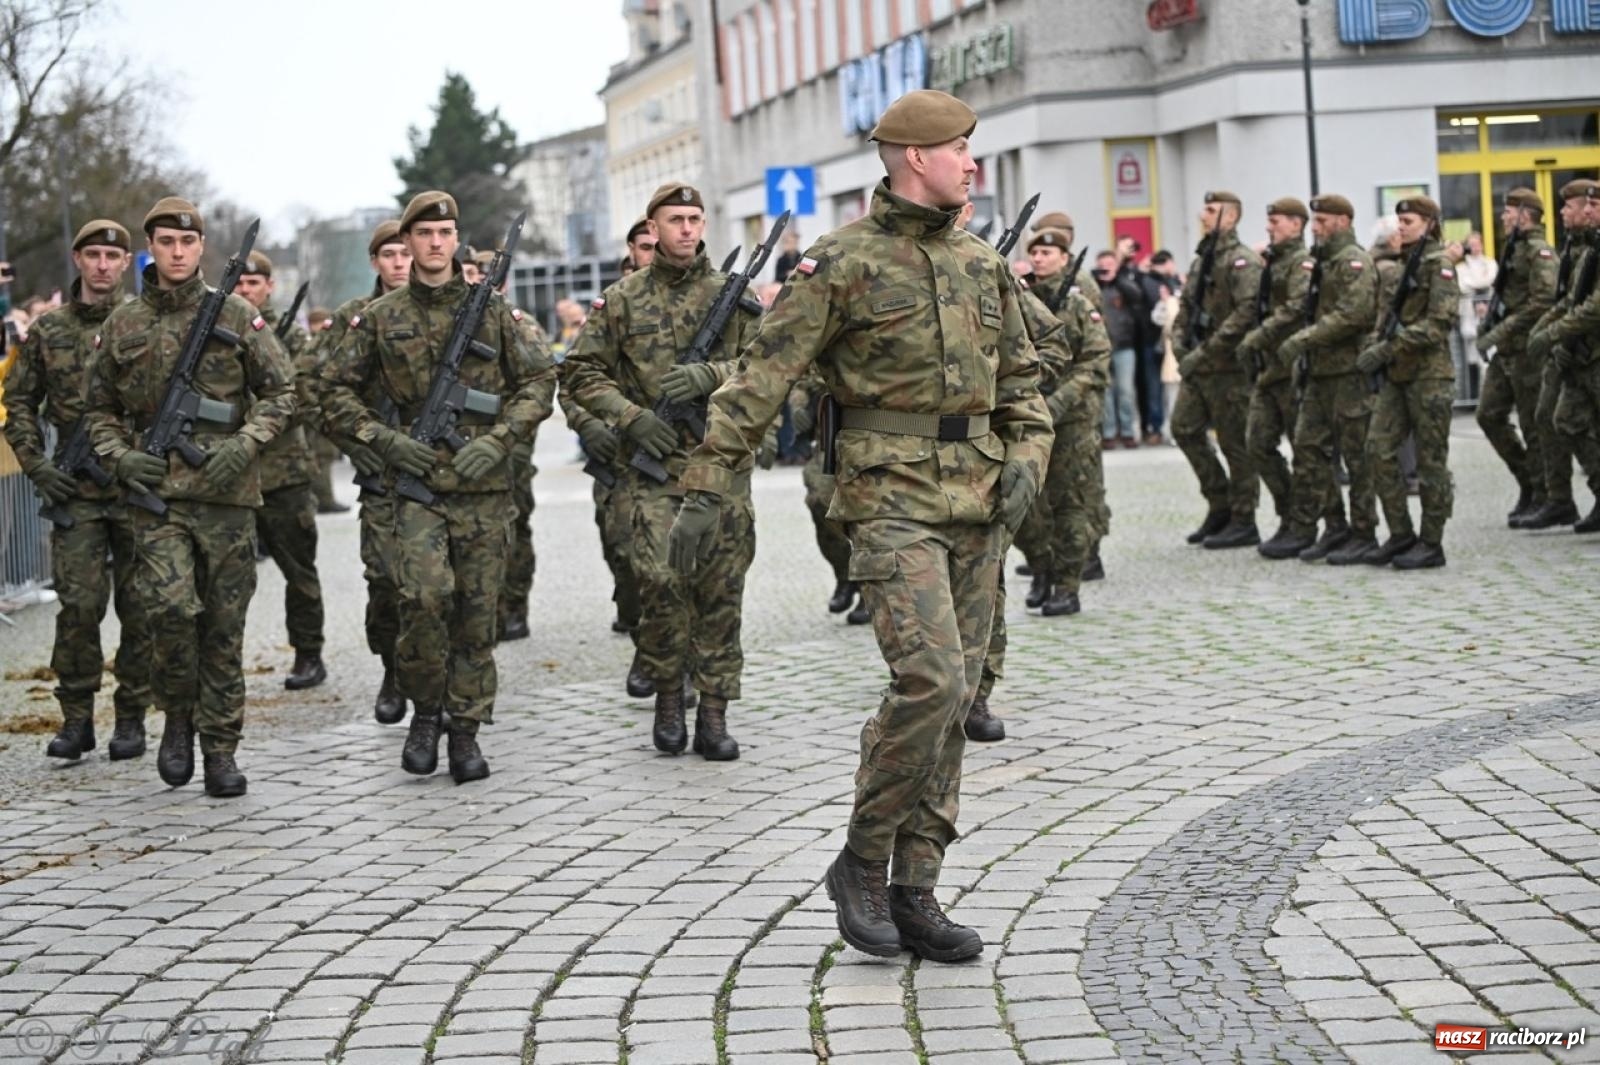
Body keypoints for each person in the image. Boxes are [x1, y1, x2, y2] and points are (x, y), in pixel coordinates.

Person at [667, 90, 1052, 962]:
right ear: (917, 157)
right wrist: (705, 484)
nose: (974, 164)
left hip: (980, 502)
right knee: (930, 681)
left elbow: (1026, 384)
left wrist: (1027, 461)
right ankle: (862, 861)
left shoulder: (981, 264)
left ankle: (917, 886)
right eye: (963, 149)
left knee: (957, 700)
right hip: (888, 500)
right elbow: (763, 378)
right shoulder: (839, 264)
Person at [320, 190, 556, 783]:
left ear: (456, 239)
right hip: (416, 486)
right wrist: (385, 439)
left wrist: (497, 441)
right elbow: (330, 393)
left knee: (477, 617)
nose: (433, 244)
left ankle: (466, 729)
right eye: (422, 234)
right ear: (407, 242)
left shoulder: (494, 311)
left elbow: (539, 381)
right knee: (422, 602)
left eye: (444, 233)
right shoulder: (379, 318)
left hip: (481, 490)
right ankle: (426, 711)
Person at [84, 196, 297, 797]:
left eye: (187, 243)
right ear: (151, 249)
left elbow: (282, 391)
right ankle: (177, 716)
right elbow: (96, 409)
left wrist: (247, 442)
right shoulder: (122, 323)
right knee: (171, 616)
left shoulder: (234, 315)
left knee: (223, 629)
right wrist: (120, 456)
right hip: (157, 502)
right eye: (165, 243)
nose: (177, 253)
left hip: (227, 498)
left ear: (201, 247)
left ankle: (221, 749)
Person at [561, 182, 763, 761]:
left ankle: (716, 711)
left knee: (721, 590)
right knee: (660, 586)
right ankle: (670, 695)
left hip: (719, 466)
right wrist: (630, 419)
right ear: (652, 227)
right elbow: (578, 373)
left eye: (695, 218)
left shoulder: (734, 297)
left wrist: (713, 375)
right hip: (651, 474)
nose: (686, 229)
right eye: (674, 219)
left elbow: (773, 364)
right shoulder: (622, 300)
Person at [2, 219, 152, 762]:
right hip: (76, 489)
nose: (104, 265)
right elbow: (18, 401)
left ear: (126, 261)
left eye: (114, 256)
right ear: (78, 259)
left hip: (135, 488)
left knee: (140, 608)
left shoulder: (144, 323)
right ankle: (77, 718)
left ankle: (132, 716)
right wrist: (36, 465)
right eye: (94, 255)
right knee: (80, 606)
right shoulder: (49, 330)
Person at [310, 219, 412, 724]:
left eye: (404, 252)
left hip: (439, 471)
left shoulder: (453, 312)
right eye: (389, 254)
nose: (400, 263)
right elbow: (315, 389)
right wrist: (355, 442)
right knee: (387, 583)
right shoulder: (352, 319)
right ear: (374, 261)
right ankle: (393, 670)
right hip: (382, 476)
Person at [1265, 195, 1382, 565]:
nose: (1315, 228)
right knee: (1309, 447)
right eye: (1313, 221)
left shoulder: (1354, 262)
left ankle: (1363, 531)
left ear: (1344, 221)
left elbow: (1353, 314)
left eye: (1323, 221)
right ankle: (1334, 524)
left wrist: (1303, 340)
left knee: (1357, 455)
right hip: (1319, 373)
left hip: (1349, 373)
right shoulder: (1322, 263)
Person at [235, 252, 328, 690]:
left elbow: (306, 396)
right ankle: (221, 661)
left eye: (253, 284)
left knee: (299, 570)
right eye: (238, 284)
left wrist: (258, 417)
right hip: (229, 476)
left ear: (268, 287)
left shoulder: (289, 336)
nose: (245, 291)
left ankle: (309, 654)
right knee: (225, 579)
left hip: (283, 474)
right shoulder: (218, 334)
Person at [1355, 195, 1459, 568]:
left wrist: (1387, 348)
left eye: (1409, 222)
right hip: (1398, 376)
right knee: (1377, 450)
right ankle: (1401, 533)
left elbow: (1438, 324)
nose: (1401, 227)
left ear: (1430, 223)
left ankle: (1432, 542)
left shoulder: (1439, 265)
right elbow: (1386, 318)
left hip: (1429, 376)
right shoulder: (1403, 266)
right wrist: (1375, 345)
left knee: (1431, 462)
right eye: (1399, 222)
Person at [472, 246, 558, 643]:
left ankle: (514, 606)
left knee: (515, 528)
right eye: (469, 273)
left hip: (512, 446)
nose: (475, 280)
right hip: (462, 448)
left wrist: (511, 443)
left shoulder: (518, 322)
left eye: (482, 273)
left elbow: (540, 382)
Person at [1171, 191, 1265, 548]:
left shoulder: (1243, 261)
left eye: (1211, 210)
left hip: (1227, 369)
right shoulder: (1202, 260)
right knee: (1183, 429)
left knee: (1235, 444)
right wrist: (1178, 342)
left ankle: (1244, 517)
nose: (1204, 215)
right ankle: (1220, 503)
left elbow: (1246, 313)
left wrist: (1205, 352)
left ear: (1232, 217)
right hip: (1198, 368)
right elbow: (1185, 307)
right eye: (1205, 209)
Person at [1239, 197, 1320, 555]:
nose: (1270, 226)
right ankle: (1288, 514)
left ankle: (1304, 524)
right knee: (1256, 443)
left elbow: (1297, 307)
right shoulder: (1272, 262)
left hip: (1291, 367)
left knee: (1304, 450)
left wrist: (1261, 334)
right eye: (1269, 220)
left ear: (1297, 224)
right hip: (1268, 370)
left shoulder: (1301, 263)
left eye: (1277, 221)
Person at [1475, 189, 1558, 524]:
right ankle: (1528, 480)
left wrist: (1501, 330)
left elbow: (1543, 302)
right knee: (1488, 415)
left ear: (1526, 215)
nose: (1503, 217)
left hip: (1527, 350)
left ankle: (1544, 494)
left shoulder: (1539, 252)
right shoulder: (1513, 249)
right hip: (1507, 350)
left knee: (1533, 424)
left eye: (1509, 211)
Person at [1519, 180, 1597, 532]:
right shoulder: (1579, 248)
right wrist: (1546, 330)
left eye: (1569, 206)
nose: (1562, 213)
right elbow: (1569, 300)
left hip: (1590, 352)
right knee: (1563, 419)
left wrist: (1555, 334)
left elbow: (1595, 306)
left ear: (1591, 208)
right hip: (1581, 353)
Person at [1095, 249, 1141, 449]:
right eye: (1102, 263)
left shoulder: (1124, 284)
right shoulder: (1092, 285)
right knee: (1105, 391)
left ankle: (1128, 431)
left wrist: (1117, 279)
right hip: (1100, 347)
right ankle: (1109, 432)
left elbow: (1137, 295)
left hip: (1124, 346)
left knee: (1126, 391)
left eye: (1109, 263)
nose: (1106, 267)